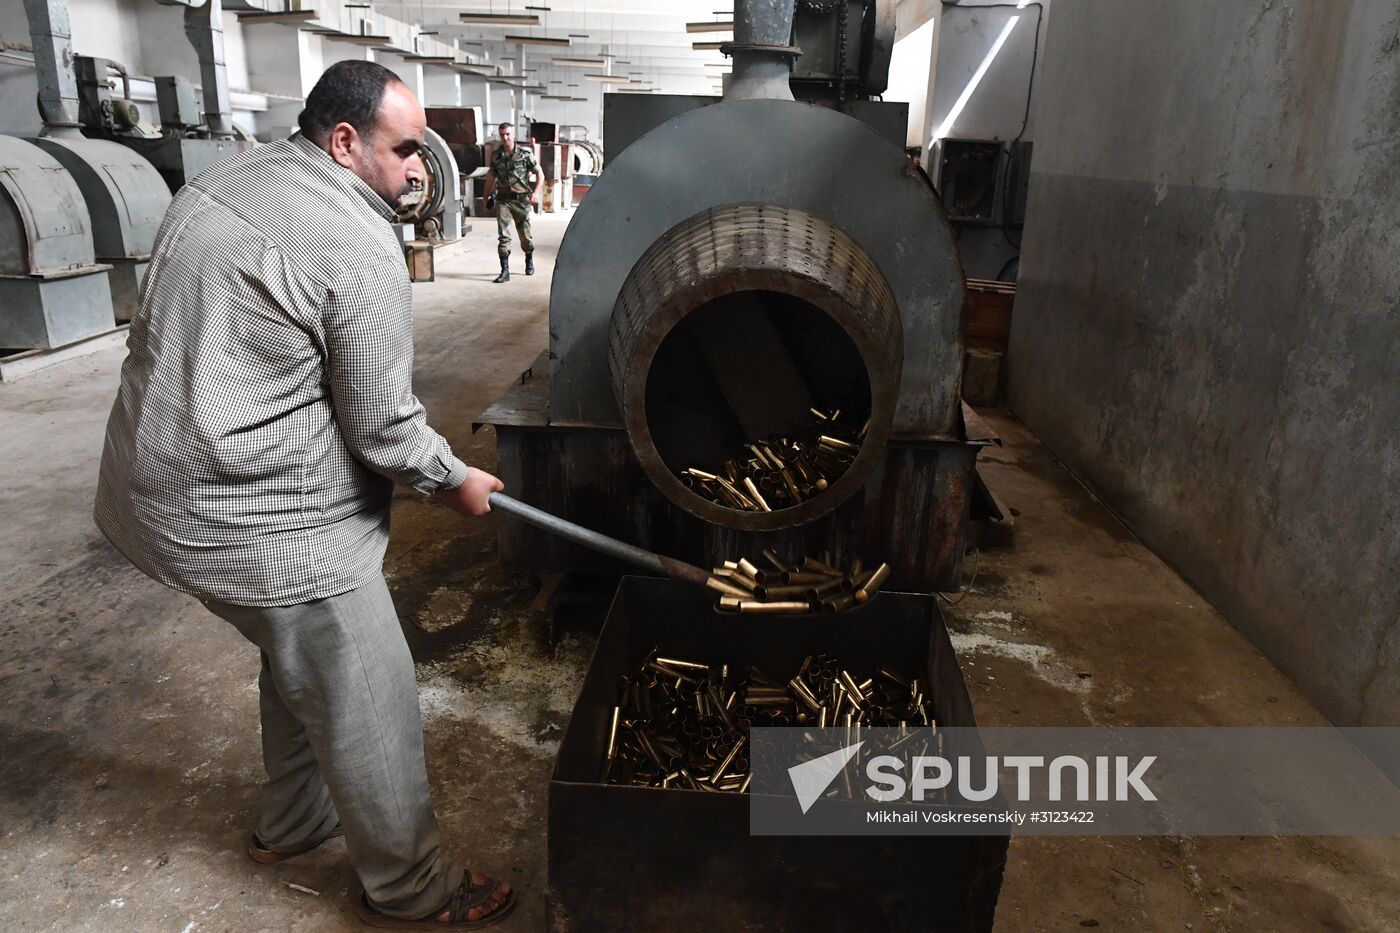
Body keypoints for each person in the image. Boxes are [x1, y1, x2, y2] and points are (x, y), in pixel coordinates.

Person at [93, 61, 515, 930]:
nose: (418, 171)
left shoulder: (227, 177)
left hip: (154, 485)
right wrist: (456, 479)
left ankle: (292, 824)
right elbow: (383, 430)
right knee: (370, 690)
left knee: (297, 659)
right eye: (404, 151)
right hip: (259, 518)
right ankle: (413, 887)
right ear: (345, 140)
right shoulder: (355, 247)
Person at [482, 122, 542, 283]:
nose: (505, 138)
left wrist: (536, 192)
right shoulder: (496, 156)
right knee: (504, 236)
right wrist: (486, 197)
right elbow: (491, 178)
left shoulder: (525, 154)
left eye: (508, 134)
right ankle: (504, 271)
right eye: (502, 135)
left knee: (525, 238)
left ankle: (528, 259)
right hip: (503, 200)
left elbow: (540, 174)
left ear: (513, 135)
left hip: (522, 201)